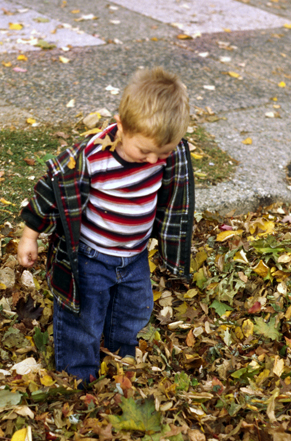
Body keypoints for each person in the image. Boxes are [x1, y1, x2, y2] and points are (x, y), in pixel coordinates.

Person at [17, 67, 195, 386]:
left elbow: (171, 198)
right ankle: (78, 374)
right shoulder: (91, 158)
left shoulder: (166, 154)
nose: (154, 160)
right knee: (83, 318)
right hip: (90, 258)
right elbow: (50, 194)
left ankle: (119, 355)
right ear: (123, 127)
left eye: (163, 152)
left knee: (133, 311)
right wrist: (29, 236)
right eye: (144, 151)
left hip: (135, 256)